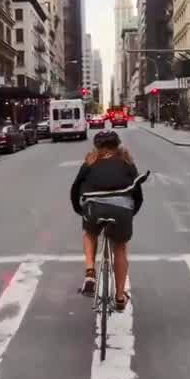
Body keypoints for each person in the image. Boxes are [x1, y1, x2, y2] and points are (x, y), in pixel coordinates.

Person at [69, 130, 143, 312]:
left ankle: (90, 272)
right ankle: (119, 297)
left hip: (94, 208)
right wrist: (129, 214)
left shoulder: (90, 162)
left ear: (97, 146)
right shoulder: (127, 163)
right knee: (120, 247)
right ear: (117, 145)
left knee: (90, 232)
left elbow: (75, 189)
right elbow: (138, 195)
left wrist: (80, 210)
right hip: (122, 211)